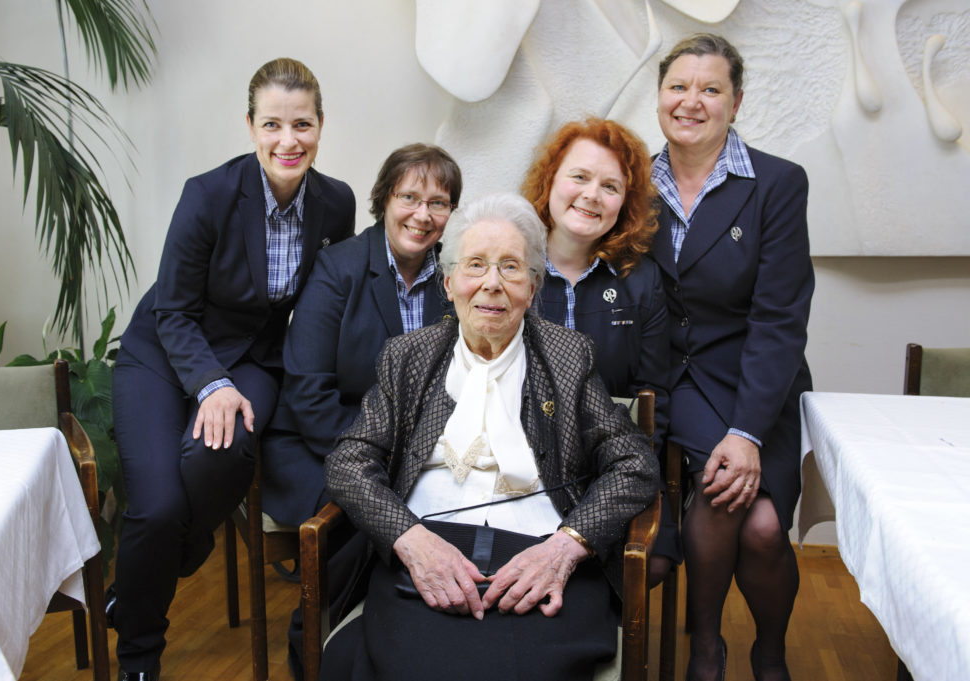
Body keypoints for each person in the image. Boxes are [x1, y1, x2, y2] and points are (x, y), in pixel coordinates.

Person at [320, 193, 659, 681]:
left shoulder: (568, 356)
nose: (492, 284)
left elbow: (634, 464)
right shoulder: (408, 357)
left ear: (533, 287)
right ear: (449, 282)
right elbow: (348, 462)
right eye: (475, 264)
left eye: (511, 267)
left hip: (539, 554)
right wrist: (408, 539)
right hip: (427, 554)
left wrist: (566, 547)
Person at [109, 58, 355, 681]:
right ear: (250, 127)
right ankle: (139, 651)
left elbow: (326, 302)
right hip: (162, 353)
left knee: (224, 450)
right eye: (272, 124)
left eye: (302, 124)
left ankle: (144, 574)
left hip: (256, 359)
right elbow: (173, 310)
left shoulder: (336, 204)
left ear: (321, 126)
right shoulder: (209, 195)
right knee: (158, 505)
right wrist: (211, 384)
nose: (288, 140)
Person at [648, 34, 814, 681]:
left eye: (710, 89)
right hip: (681, 378)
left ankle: (769, 650)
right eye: (678, 86)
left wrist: (747, 431)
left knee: (766, 527)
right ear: (660, 97)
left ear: (736, 102)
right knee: (723, 497)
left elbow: (780, 319)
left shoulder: (777, 183)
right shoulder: (633, 181)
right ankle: (706, 649)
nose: (691, 101)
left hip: (759, 379)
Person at [261, 143, 461, 675]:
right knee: (366, 508)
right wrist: (379, 460)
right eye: (409, 197)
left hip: (407, 449)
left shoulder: (453, 279)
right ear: (384, 199)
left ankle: (402, 642)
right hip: (315, 443)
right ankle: (314, 644)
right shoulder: (339, 268)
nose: (422, 214)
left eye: (438, 203)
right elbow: (308, 392)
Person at [521, 118, 675, 582]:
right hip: (521, 468)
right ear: (551, 181)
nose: (592, 195)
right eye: (580, 177)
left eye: (610, 186)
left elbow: (653, 399)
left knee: (652, 563)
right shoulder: (511, 267)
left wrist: (618, 478)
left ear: (624, 203)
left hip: (612, 468)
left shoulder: (642, 281)